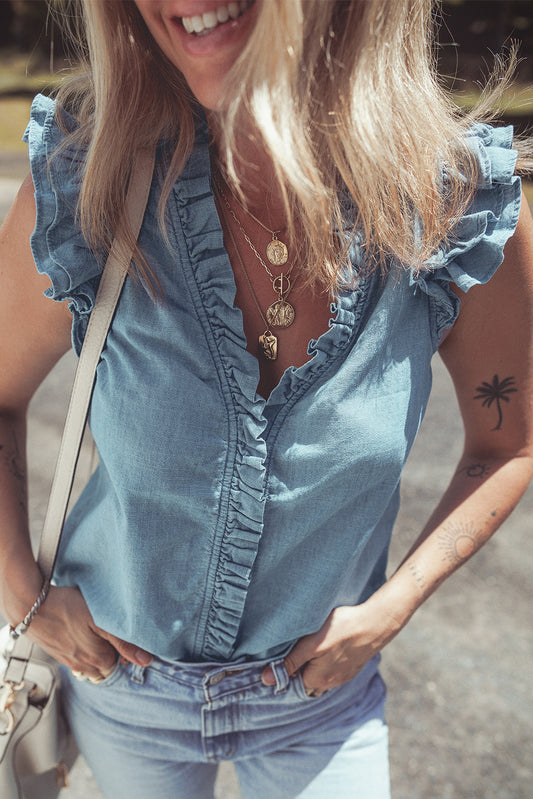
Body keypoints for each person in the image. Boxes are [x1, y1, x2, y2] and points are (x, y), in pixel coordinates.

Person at [1, 1, 532, 797]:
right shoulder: (91, 184)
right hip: (122, 690)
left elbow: (508, 445)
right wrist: (22, 591)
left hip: (319, 705)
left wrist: (392, 607)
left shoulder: (452, 204)